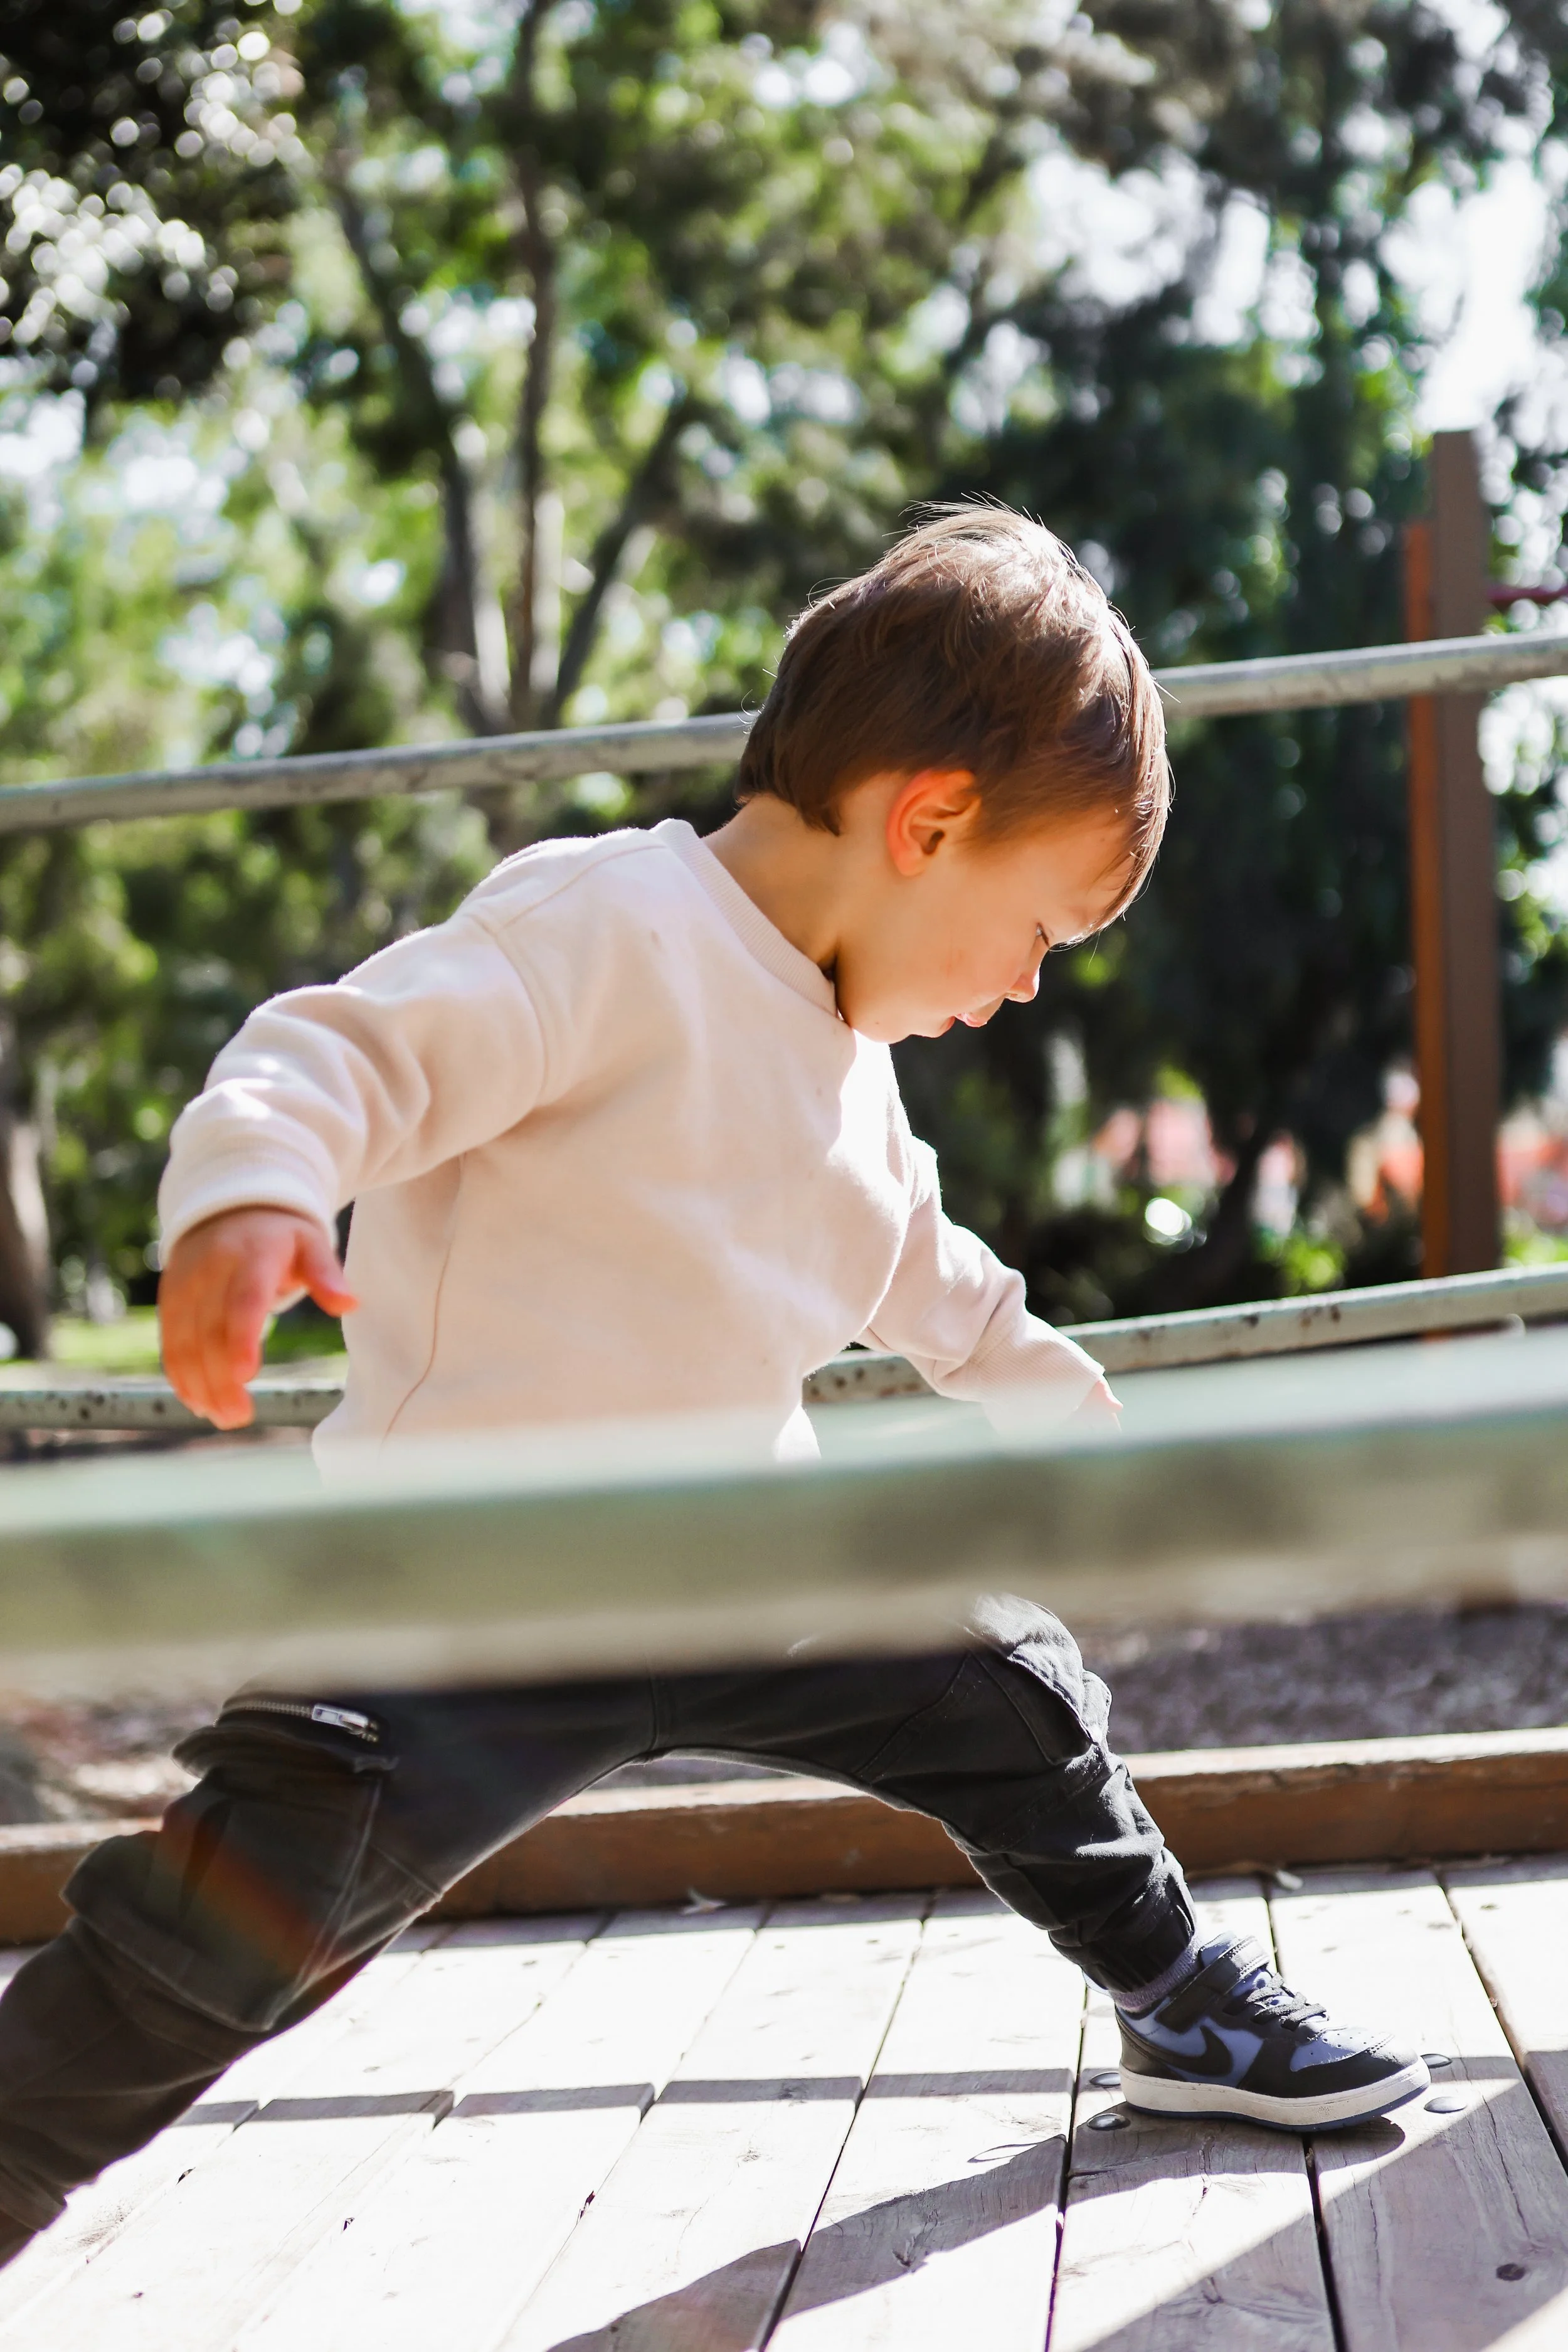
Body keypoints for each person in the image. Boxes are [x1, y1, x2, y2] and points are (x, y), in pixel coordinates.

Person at [0, 507, 1426, 2261]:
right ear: (927, 822)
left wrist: (1050, 1384)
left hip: (741, 1566)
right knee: (223, 1929)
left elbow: (917, 1259)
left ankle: (1176, 1992)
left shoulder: (846, 1058)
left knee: (1002, 1682)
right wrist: (253, 1191)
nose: (1022, 987)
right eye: (1037, 931)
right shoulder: (607, 927)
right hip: (471, 1602)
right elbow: (334, 1050)